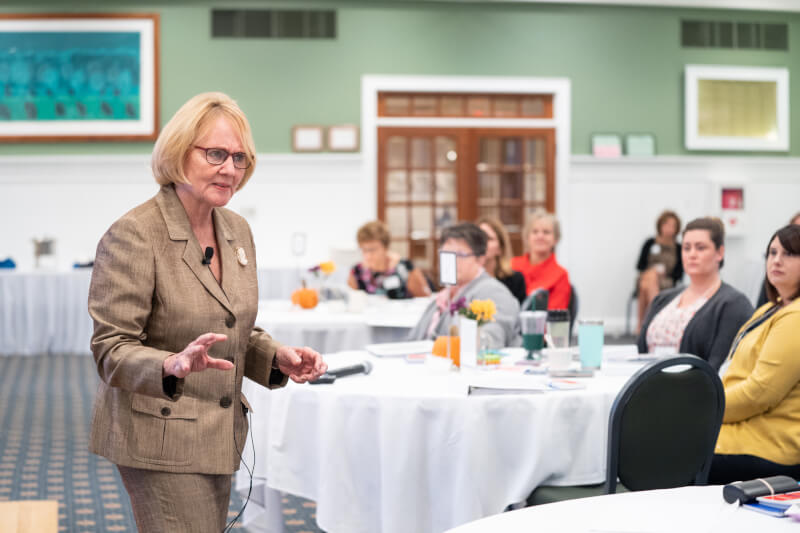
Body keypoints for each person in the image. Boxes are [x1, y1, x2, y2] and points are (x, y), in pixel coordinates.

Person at [87, 92, 327, 532]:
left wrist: (275, 356)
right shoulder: (136, 234)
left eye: (240, 158)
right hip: (158, 434)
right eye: (216, 153)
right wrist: (170, 363)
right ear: (179, 153)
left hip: (219, 431)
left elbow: (230, 325)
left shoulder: (235, 228)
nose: (229, 168)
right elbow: (110, 349)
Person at [710, 224, 800, 484]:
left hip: (768, 443)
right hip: (740, 426)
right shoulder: (769, 310)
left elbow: (759, 393)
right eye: (772, 253)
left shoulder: (795, 318)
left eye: (789, 254)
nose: (777, 260)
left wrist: (707, 410)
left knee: (673, 448)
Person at [637, 217, 753, 370]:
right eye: (686, 248)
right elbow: (639, 353)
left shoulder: (733, 304)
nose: (692, 254)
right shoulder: (662, 299)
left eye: (700, 248)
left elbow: (718, 368)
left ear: (719, 253)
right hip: (646, 386)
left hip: (694, 391)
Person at [408, 222, 520, 348]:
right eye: (446, 254)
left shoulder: (494, 293)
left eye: (460, 255)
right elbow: (413, 341)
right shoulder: (444, 297)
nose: (451, 261)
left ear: (480, 259)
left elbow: (489, 343)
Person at [348, 220, 431, 299]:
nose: (368, 255)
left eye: (372, 250)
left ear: (385, 247)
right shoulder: (357, 272)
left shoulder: (405, 268)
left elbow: (424, 298)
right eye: (364, 250)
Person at [635, 210, 684, 333]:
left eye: (672, 226)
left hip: (667, 281)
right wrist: (654, 271)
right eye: (666, 225)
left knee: (645, 285)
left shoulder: (679, 248)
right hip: (646, 276)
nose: (669, 229)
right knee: (649, 278)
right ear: (660, 225)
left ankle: (641, 326)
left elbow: (679, 273)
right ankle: (656, 321)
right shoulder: (650, 243)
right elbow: (640, 266)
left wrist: (662, 273)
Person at [510, 210, 571, 309]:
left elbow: (554, 316)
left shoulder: (560, 275)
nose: (540, 236)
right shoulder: (512, 265)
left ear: (555, 239)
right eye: (535, 231)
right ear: (527, 237)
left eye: (546, 232)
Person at [476, 215, 526, 304]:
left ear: (500, 248)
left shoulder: (515, 280)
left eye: (488, 238)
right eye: (479, 238)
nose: (483, 243)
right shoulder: (467, 280)